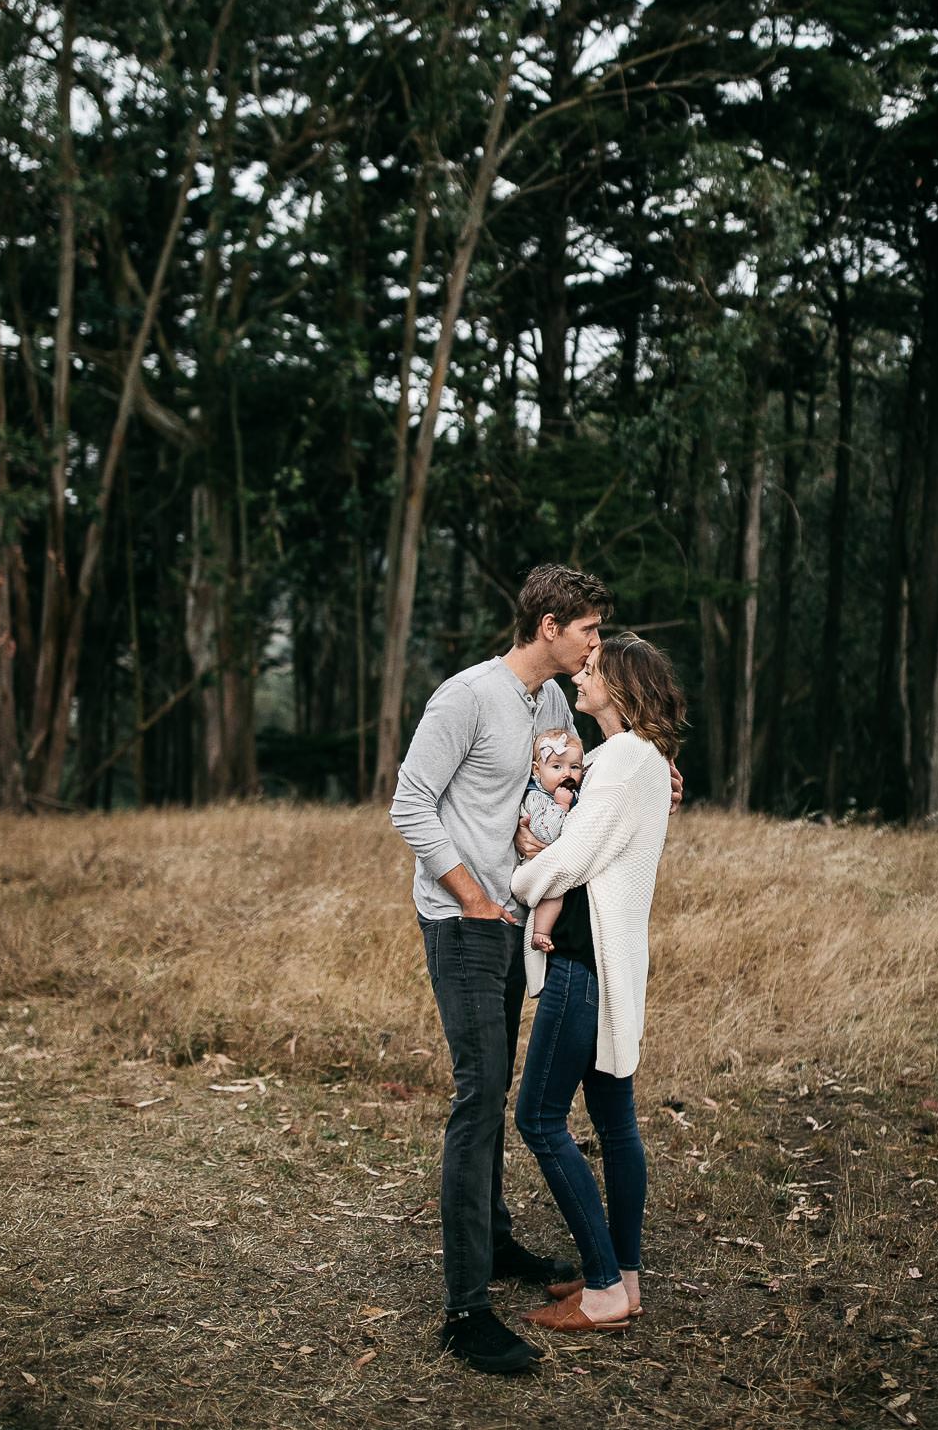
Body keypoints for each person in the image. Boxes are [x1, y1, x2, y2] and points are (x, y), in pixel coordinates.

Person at [389, 564, 612, 1375]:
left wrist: (646, 774)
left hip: (515, 921)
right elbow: (409, 803)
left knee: (494, 1082)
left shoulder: (550, 702)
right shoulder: (466, 697)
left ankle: (497, 1240)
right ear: (549, 626)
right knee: (480, 1094)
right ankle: (465, 1311)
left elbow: (569, 781)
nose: (596, 644)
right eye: (588, 629)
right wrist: (473, 896)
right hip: (463, 922)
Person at [510, 632, 687, 1334]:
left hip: (583, 965)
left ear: (619, 686)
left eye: (591, 670)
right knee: (615, 1125)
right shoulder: (641, 759)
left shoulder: (621, 761)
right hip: (607, 962)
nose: (580, 676)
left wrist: (522, 879)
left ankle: (606, 1289)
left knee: (538, 1118)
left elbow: (573, 857)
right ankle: (625, 1276)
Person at [523, 730, 585, 955]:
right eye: (557, 766)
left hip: (562, 860)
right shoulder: (537, 797)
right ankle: (541, 932)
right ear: (537, 770)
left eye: (574, 767)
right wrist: (561, 806)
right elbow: (545, 833)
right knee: (553, 892)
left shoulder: (572, 793)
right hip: (539, 863)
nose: (567, 773)